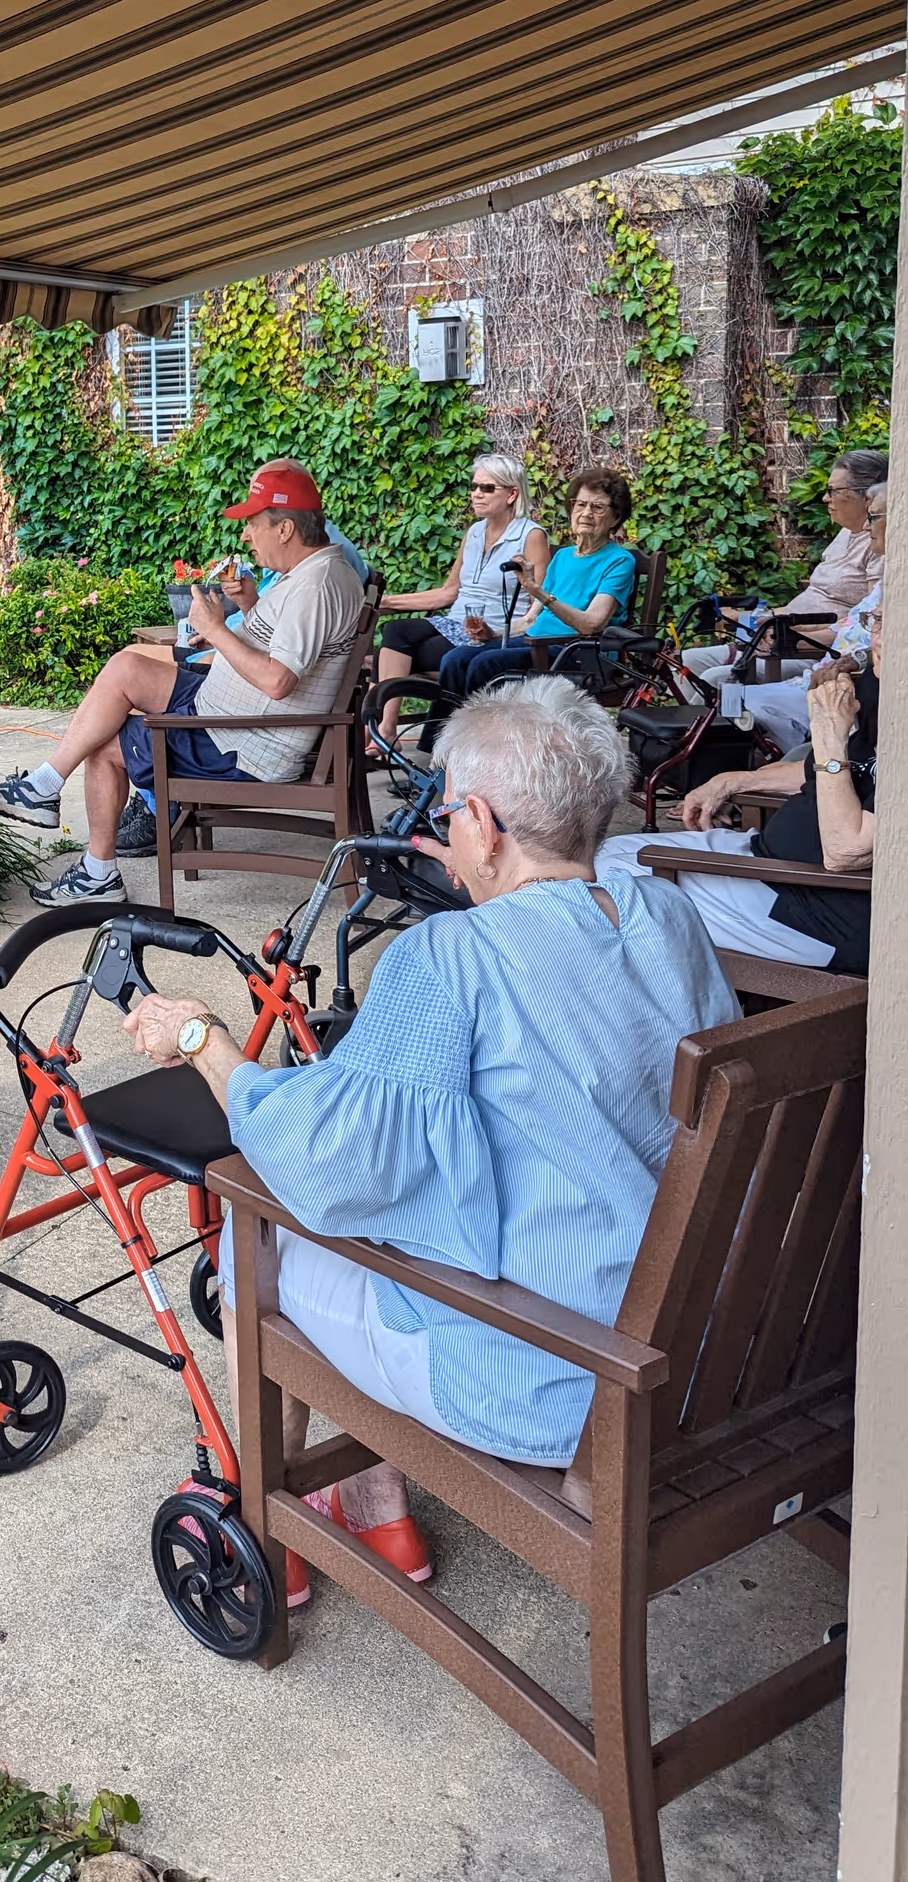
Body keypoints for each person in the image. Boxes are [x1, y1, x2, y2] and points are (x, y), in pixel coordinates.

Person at [120, 679, 737, 1604]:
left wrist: (205, 1040)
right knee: (380, 1227)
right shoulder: (668, 919)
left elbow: (322, 1161)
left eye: (447, 812)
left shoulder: (454, 958)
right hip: (702, 1344)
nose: (443, 833)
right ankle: (370, 1499)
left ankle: (269, 1525)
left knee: (266, 1244)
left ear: (483, 825)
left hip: (563, 1383)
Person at [0, 461, 365, 908]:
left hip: (242, 742)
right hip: (229, 714)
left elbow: (277, 681)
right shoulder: (317, 574)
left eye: (253, 523)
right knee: (126, 667)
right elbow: (282, 653)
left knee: (107, 744)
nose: (246, 536)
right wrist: (249, 605)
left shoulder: (316, 588)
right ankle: (44, 784)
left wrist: (216, 630)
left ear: (286, 528)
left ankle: (98, 872)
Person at [597, 618, 878, 977]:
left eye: (884, 619)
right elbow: (828, 770)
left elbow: (846, 850)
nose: (875, 632)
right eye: (875, 618)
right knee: (604, 853)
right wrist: (731, 782)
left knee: (600, 887)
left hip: (812, 909)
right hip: (769, 861)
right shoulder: (880, 689)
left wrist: (828, 735)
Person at [370, 454, 551, 745]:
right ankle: (385, 730)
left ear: (512, 494)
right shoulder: (474, 532)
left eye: (487, 488)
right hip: (455, 625)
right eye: (474, 486)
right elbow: (449, 592)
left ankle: (381, 733)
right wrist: (387, 603)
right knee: (395, 632)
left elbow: (538, 605)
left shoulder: (530, 536)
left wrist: (507, 628)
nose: (476, 493)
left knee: (388, 651)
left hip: (492, 634)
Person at [681, 447, 885, 687]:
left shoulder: (879, 547)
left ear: (867, 497)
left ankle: (707, 724)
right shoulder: (846, 533)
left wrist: (791, 637)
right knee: (689, 658)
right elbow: (804, 606)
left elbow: (867, 623)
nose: (825, 498)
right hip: (787, 637)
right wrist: (755, 618)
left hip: (816, 651)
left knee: (713, 679)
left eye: (833, 490)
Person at [435, 468, 638, 703]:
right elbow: (531, 620)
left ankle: (477, 734)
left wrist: (538, 591)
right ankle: (439, 738)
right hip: (537, 644)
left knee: (485, 664)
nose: (585, 513)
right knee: (456, 658)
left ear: (615, 518)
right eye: (580, 504)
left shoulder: (620, 561)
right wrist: (495, 633)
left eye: (597, 507)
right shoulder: (563, 556)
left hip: (577, 653)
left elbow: (591, 624)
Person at [720, 479, 883, 752]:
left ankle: (785, 766)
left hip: (839, 682)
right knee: (725, 695)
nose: (825, 498)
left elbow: (860, 638)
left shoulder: (886, 577)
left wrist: (789, 637)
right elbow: (849, 626)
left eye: (873, 516)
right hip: (822, 667)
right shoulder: (871, 574)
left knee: (731, 695)